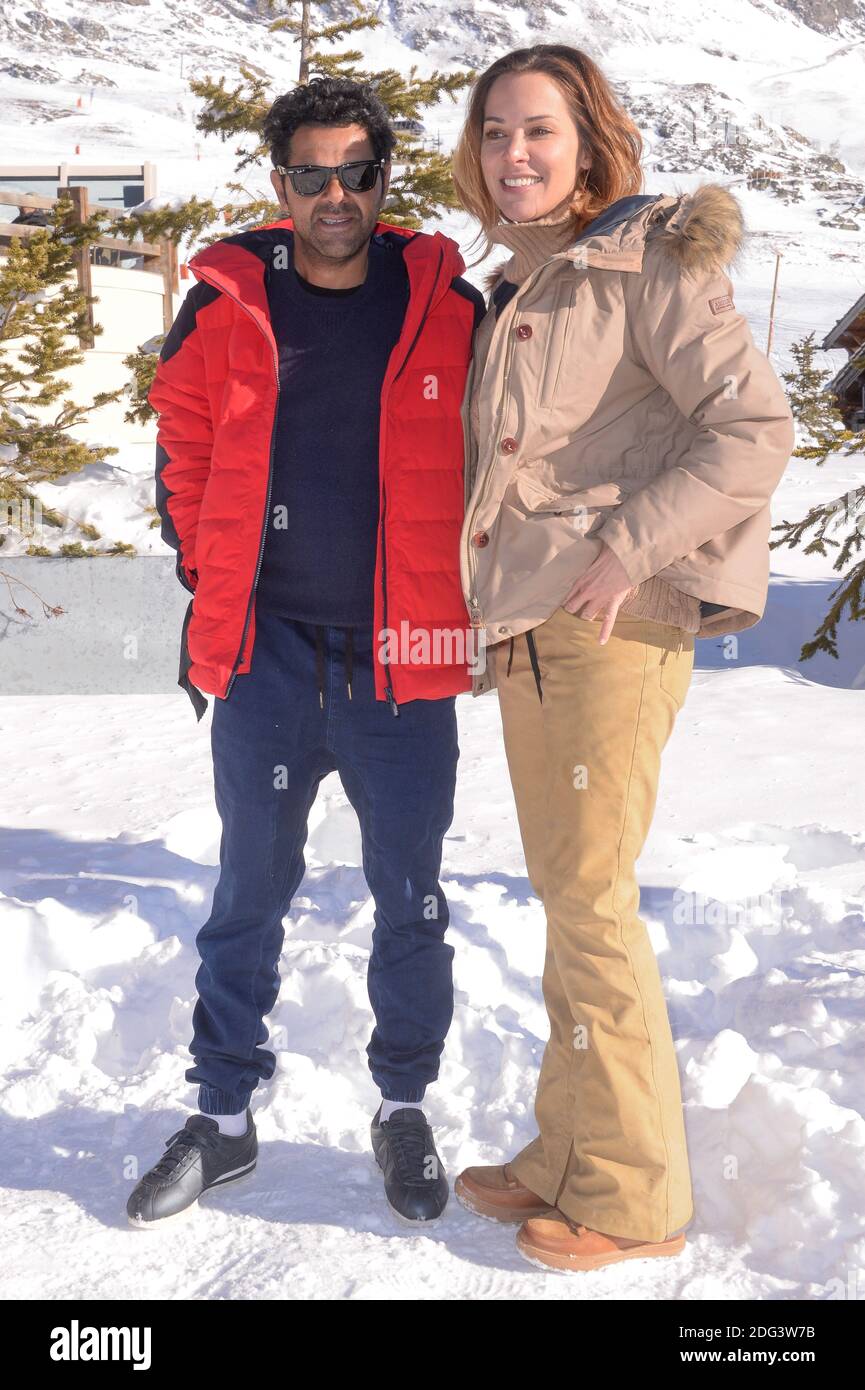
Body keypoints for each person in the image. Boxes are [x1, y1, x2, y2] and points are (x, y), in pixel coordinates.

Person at [449, 45, 795, 1273]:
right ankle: (566, 1152)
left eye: (538, 132)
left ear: (590, 142)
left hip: (613, 623)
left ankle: (637, 1199)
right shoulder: (530, 279)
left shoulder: (647, 258)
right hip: (539, 628)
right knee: (566, 900)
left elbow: (755, 429)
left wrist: (626, 547)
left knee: (591, 905)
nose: (513, 156)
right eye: (494, 133)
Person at [131, 76, 484, 1228]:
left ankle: (401, 1105)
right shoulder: (230, 297)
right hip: (270, 653)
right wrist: (202, 554)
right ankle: (224, 1119)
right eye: (310, 174)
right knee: (248, 889)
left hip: (402, 658)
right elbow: (180, 428)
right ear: (278, 184)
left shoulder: (446, 301)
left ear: (387, 177)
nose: (336, 195)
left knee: (410, 897)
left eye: (358, 172)